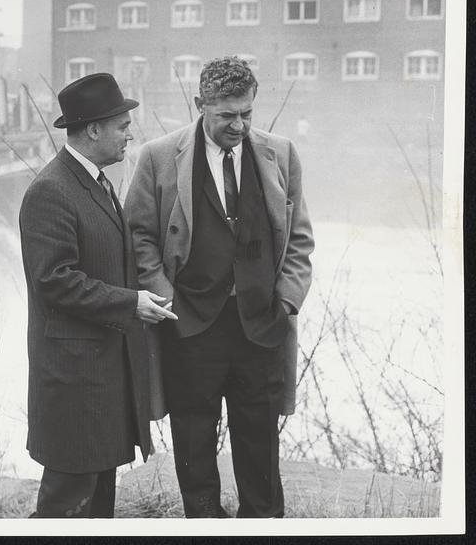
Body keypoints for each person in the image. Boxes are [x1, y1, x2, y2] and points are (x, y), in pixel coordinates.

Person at [125, 56, 314, 518]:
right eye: (227, 116)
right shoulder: (157, 157)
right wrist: (167, 298)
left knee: (259, 436)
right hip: (190, 324)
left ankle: (264, 522)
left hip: (261, 323)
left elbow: (301, 238)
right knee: (193, 435)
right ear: (199, 105)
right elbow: (138, 236)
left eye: (247, 113)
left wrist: (287, 300)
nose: (240, 126)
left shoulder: (282, 153)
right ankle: (204, 523)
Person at [19, 72, 177, 518]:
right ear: (93, 130)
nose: (130, 133)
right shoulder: (51, 190)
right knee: (65, 505)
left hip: (99, 372)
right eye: (122, 125)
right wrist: (132, 303)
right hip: (74, 378)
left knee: (97, 501)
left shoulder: (96, 182)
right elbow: (54, 280)